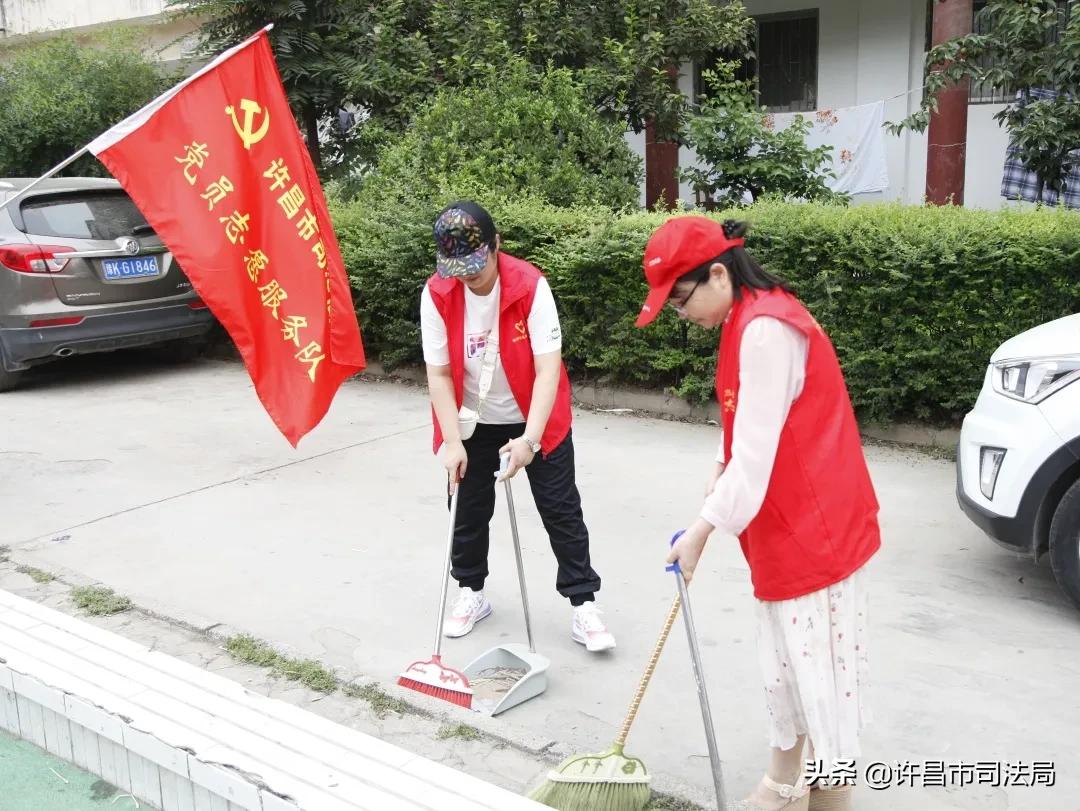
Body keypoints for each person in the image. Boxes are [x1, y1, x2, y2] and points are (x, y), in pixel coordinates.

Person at [635, 216, 880, 811]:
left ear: (718, 274)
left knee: (819, 679)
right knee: (785, 667)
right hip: (785, 522)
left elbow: (754, 460)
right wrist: (717, 483)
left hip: (813, 529)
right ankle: (780, 782)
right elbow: (743, 437)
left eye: (680, 300)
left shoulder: (766, 330)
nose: (681, 315)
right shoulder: (745, 316)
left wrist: (700, 530)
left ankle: (830, 801)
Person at [419, 200, 615, 652]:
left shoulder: (529, 286)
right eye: (458, 268)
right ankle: (471, 593)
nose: (468, 276)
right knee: (468, 511)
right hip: (472, 422)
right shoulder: (437, 293)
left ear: (496, 246)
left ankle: (583, 606)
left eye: (476, 264)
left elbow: (548, 371)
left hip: (535, 417)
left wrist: (530, 440)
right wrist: (452, 442)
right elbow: (439, 374)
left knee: (561, 510)